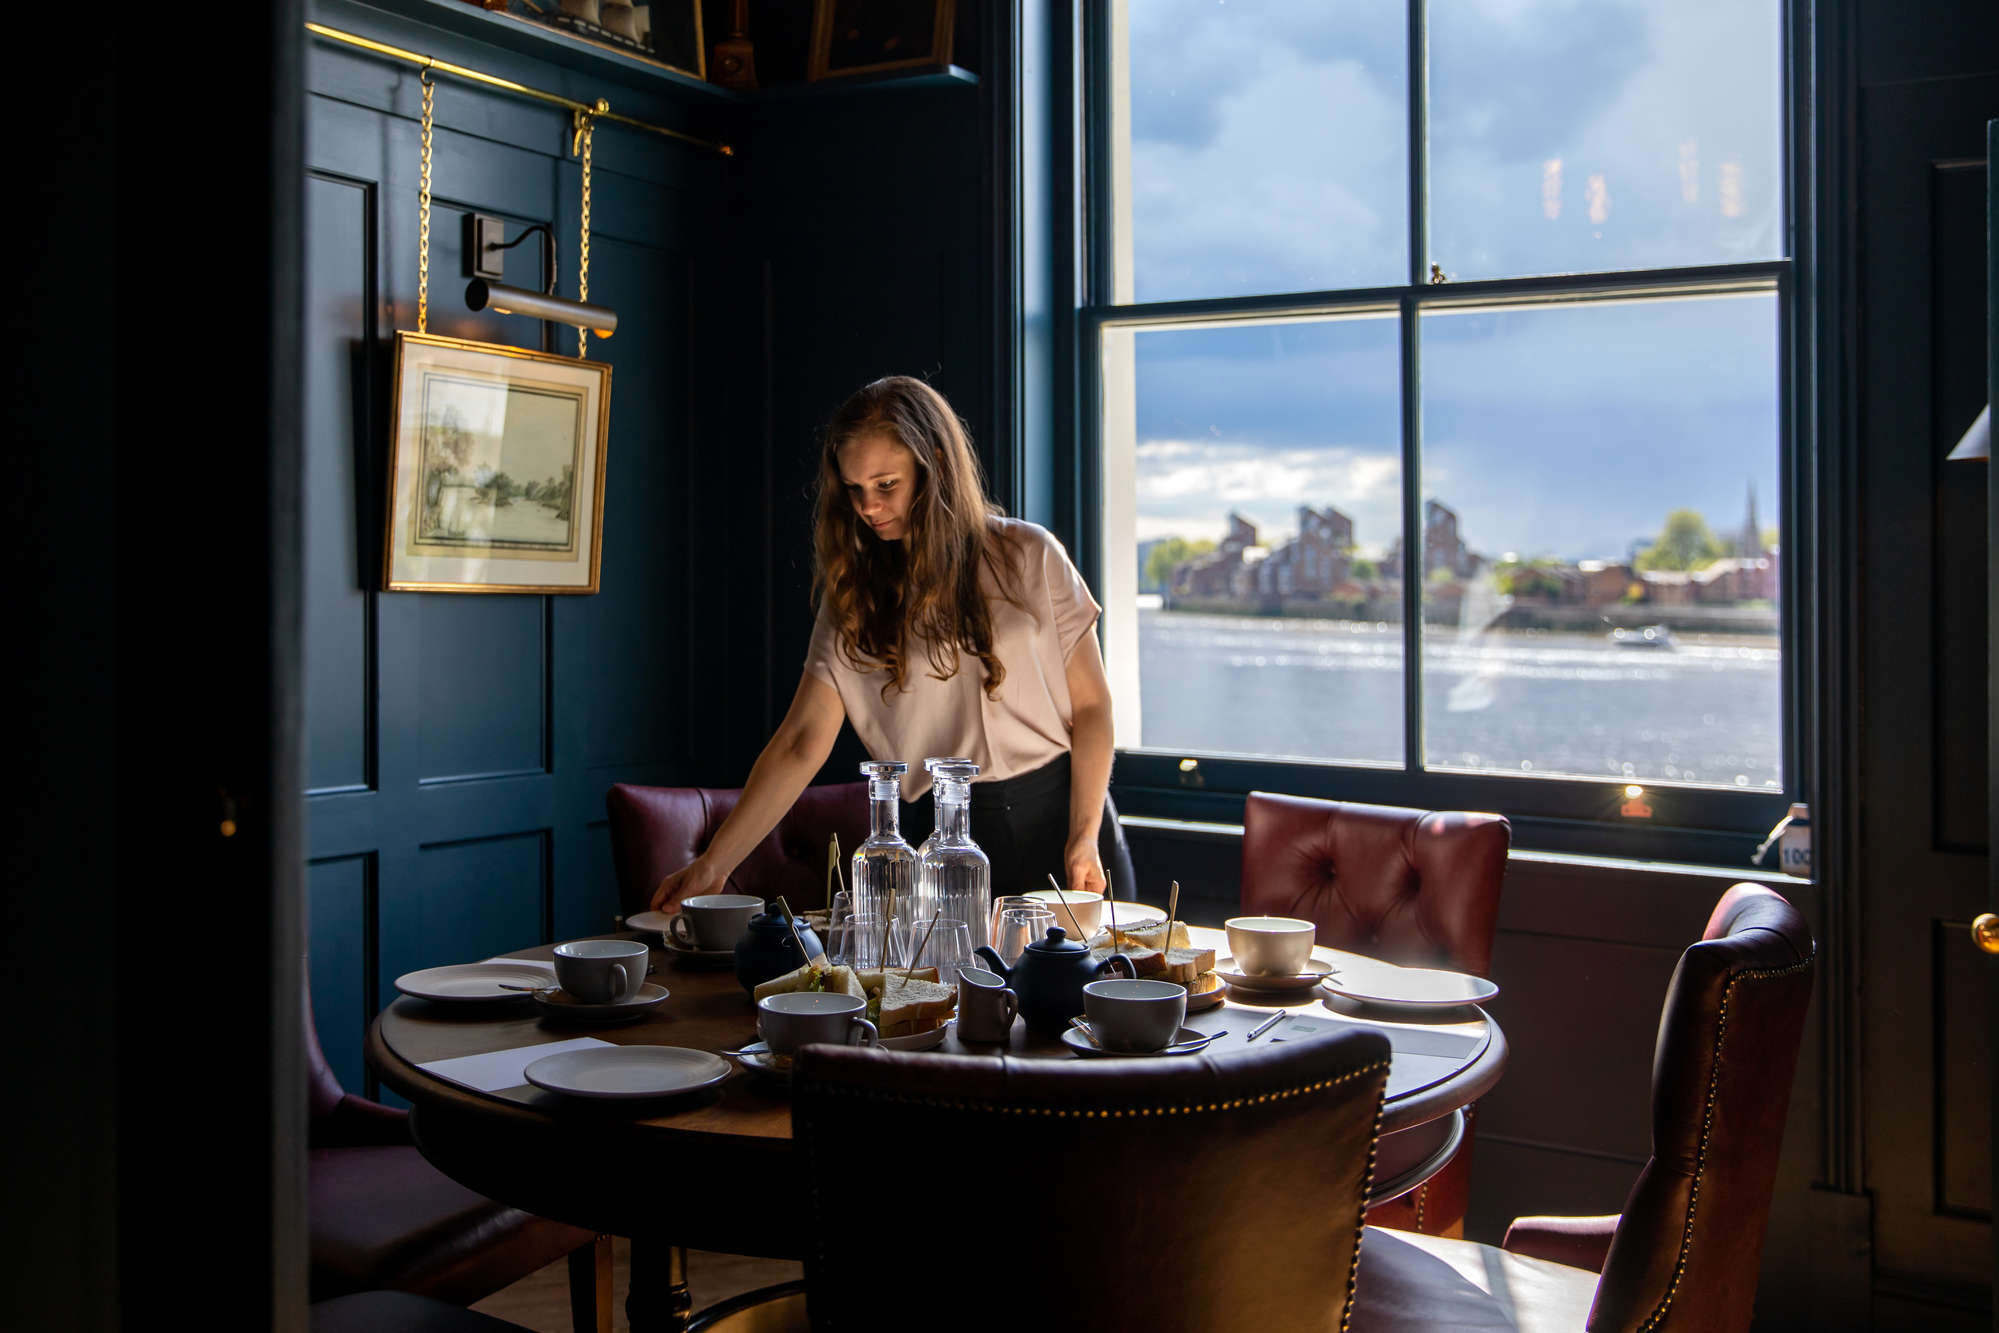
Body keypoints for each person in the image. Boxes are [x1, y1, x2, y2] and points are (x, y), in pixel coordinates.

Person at [649, 375, 1135, 913]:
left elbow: (1093, 708)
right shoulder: (853, 597)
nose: (867, 507)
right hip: (943, 845)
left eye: (885, 485)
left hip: (1067, 828)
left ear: (934, 467)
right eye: (854, 489)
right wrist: (715, 864)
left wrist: (1084, 834)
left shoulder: (1030, 554)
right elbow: (800, 742)